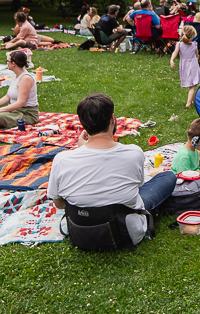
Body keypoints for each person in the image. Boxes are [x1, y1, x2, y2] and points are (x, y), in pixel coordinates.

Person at [48, 93, 175, 244]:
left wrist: (82, 150)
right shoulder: (134, 153)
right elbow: (138, 187)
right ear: (112, 119)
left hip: (81, 234)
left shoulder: (62, 160)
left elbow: (60, 204)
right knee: (168, 177)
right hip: (126, 234)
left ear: (83, 124)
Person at [0, 50, 39, 129]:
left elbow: (20, 103)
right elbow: (8, 97)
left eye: (8, 61)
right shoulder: (16, 75)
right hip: (13, 111)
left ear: (13, 64)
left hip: (26, 113)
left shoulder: (25, 79)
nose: (7, 63)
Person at [172, 24, 200, 108]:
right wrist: (197, 60)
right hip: (193, 65)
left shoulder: (179, 44)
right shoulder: (194, 44)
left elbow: (175, 52)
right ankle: (188, 103)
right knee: (192, 85)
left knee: (191, 84)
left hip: (184, 65)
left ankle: (193, 101)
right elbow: (197, 55)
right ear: (192, 35)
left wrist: (172, 60)